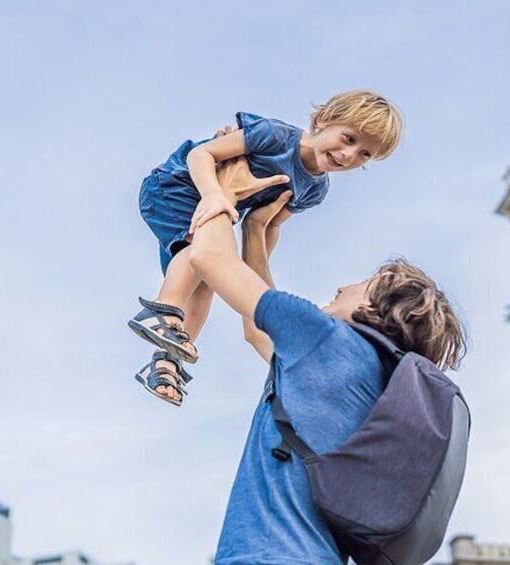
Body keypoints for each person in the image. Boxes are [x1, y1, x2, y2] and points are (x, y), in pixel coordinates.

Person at [185, 202, 466, 563]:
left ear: (379, 306)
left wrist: (217, 193)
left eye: (363, 284)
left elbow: (208, 257)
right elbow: (258, 330)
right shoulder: (380, 382)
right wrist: (255, 232)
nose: (343, 286)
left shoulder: (322, 337)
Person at [128, 90, 404, 405]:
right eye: (348, 138)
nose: (349, 155)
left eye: (365, 154)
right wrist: (212, 194)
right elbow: (202, 155)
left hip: (216, 208)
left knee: (207, 280)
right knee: (201, 252)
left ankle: (167, 360)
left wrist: (250, 277)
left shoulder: (314, 190)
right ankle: (162, 311)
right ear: (322, 120)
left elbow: (268, 224)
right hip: (176, 186)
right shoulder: (275, 137)